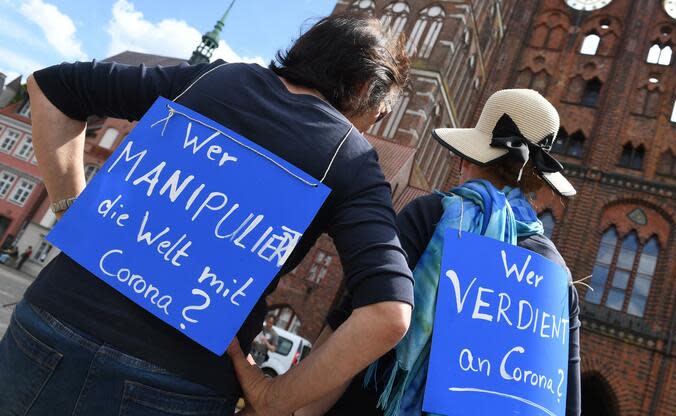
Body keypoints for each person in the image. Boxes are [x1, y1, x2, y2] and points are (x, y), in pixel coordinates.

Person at [0, 13, 415, 416]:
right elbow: (388, 313)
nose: (371, 125)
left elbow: (50, 87)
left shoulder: (212, 78)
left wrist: (73, 212)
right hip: (176, 380)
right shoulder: (352, 157)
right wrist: (276, 399)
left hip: (52, 320)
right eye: (380, 112)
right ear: (364, 88)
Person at [299, 89, 582, 416]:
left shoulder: (433, 215)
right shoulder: (558, 276)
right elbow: (564, 403)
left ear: (468, 160)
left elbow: (355, 322)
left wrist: (290, 405)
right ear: (539, 183)